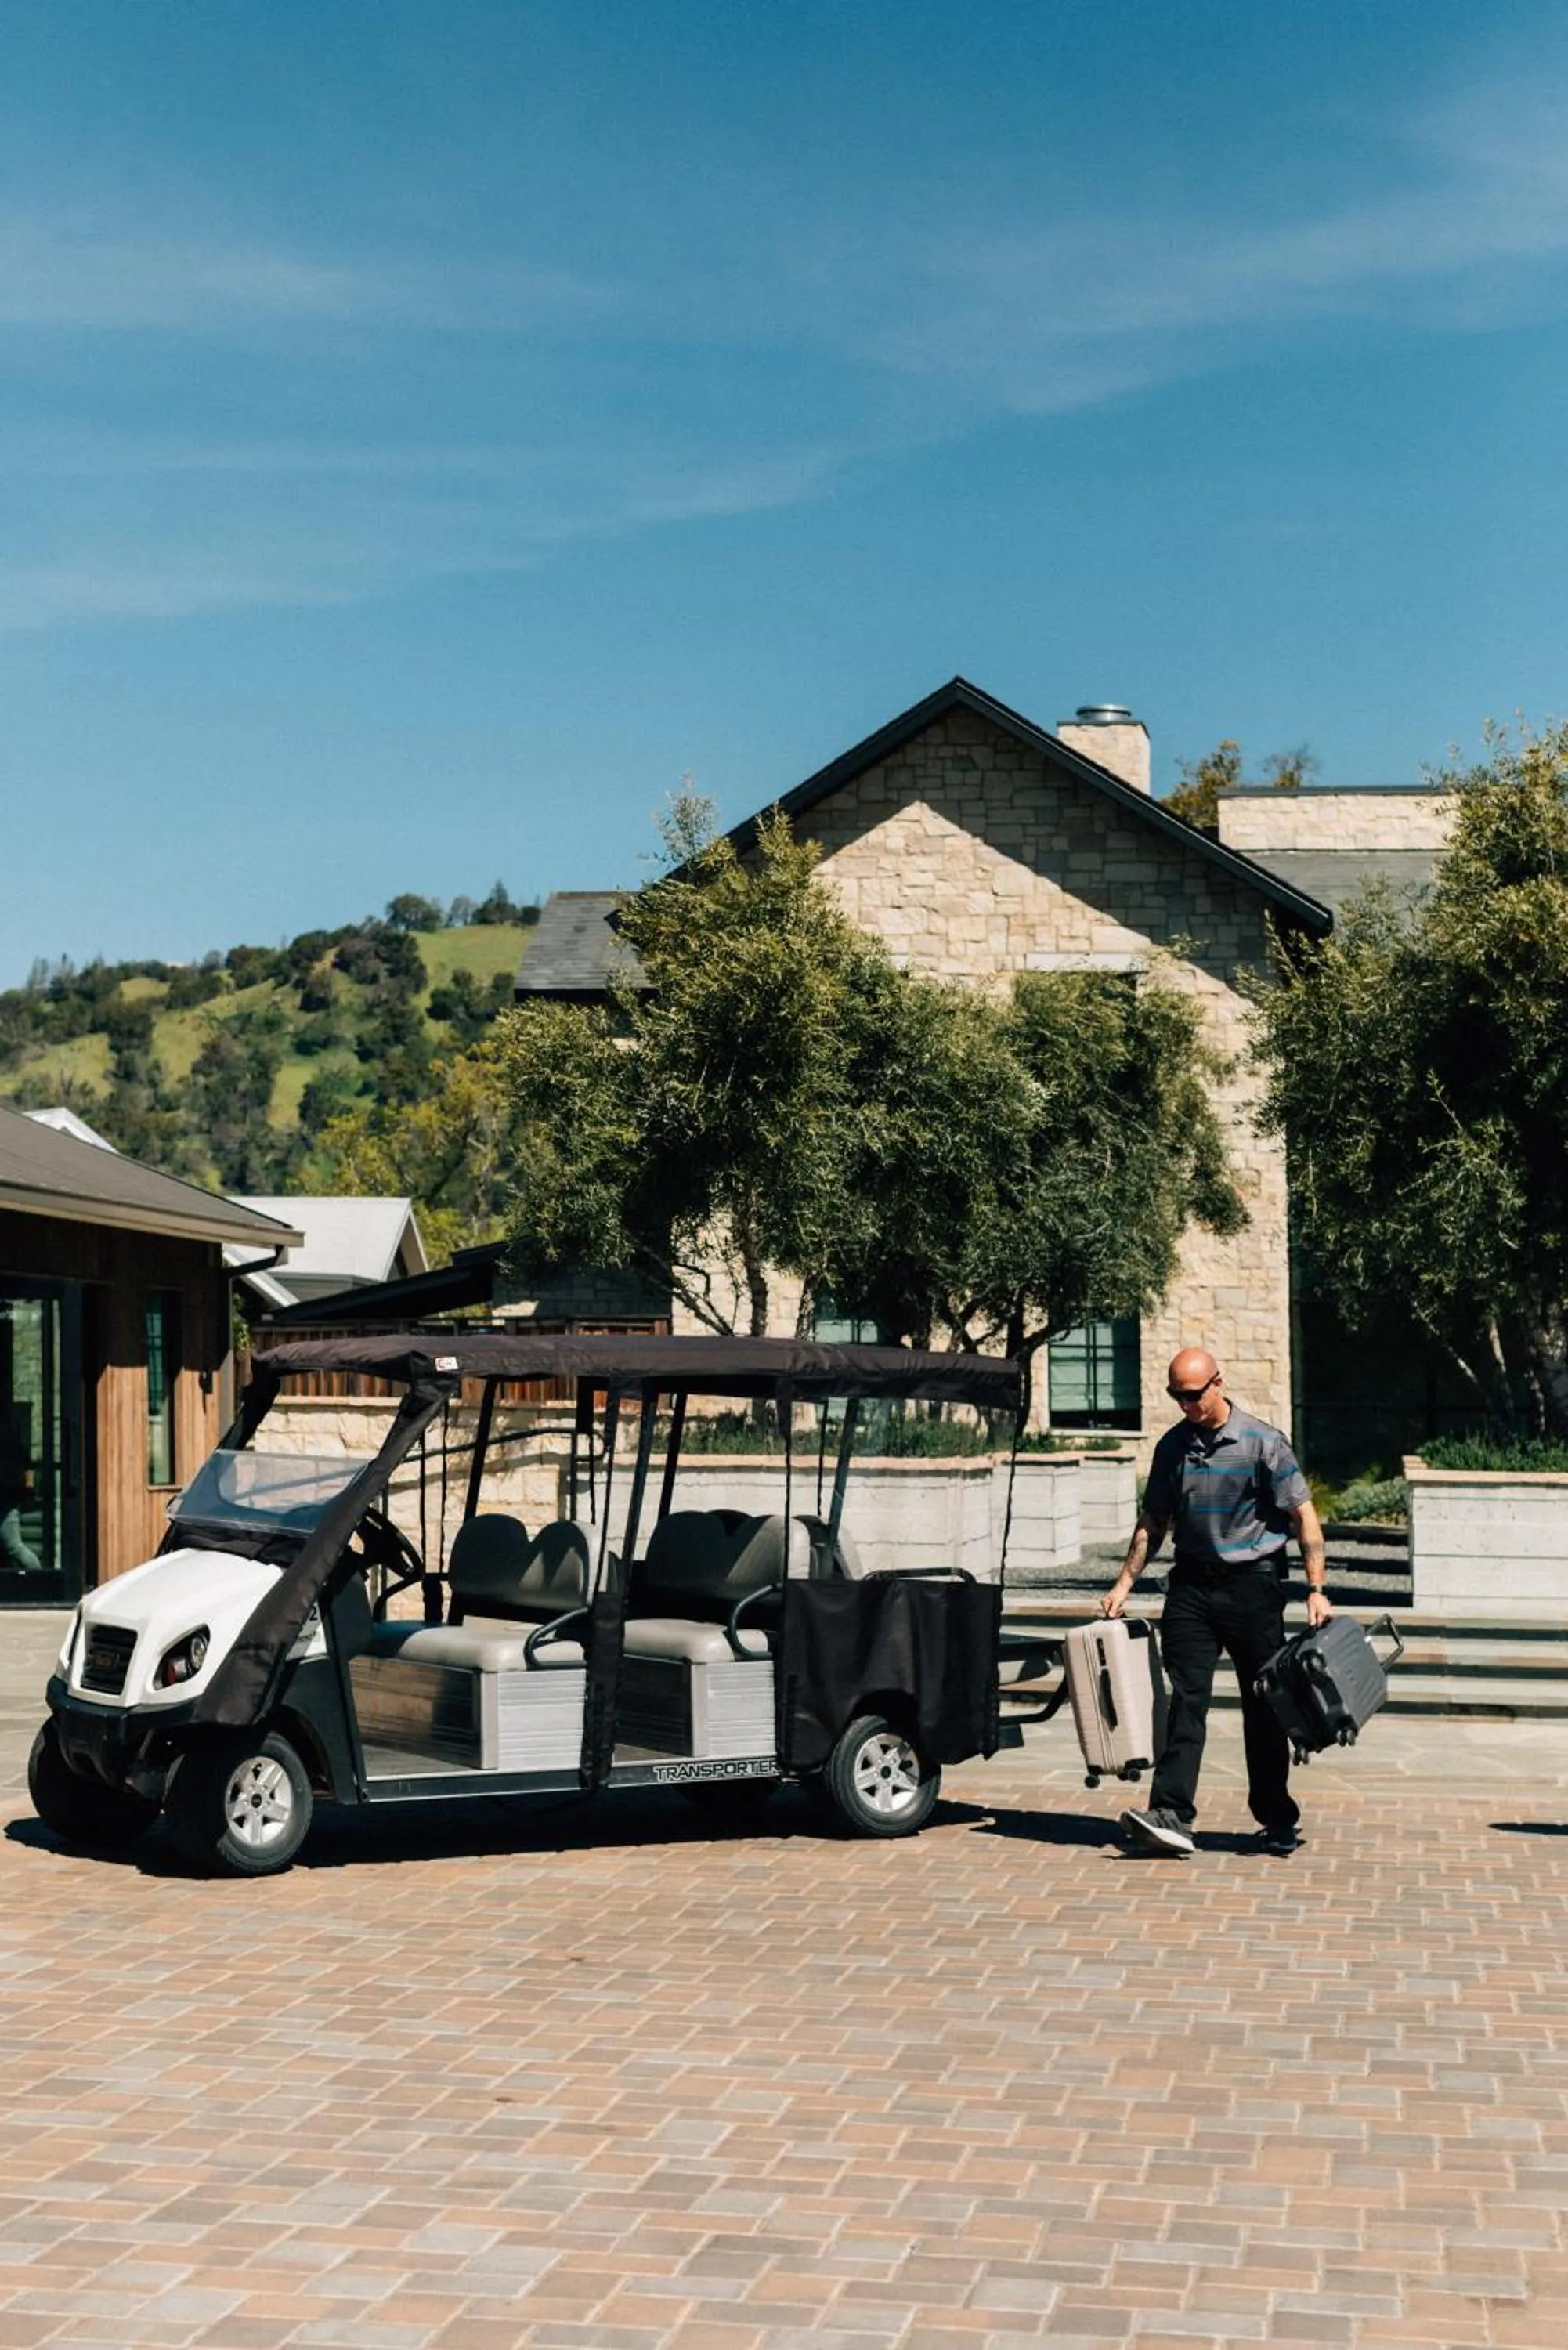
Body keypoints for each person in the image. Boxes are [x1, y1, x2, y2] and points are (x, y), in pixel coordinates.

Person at [1101, 1346, 1329, 1859]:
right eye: (1176, 1396)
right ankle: (1171, 1815)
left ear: (1218, 1383)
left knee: (1264, 1705)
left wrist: (1316, 1590)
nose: (1186, 1405)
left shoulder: (1262, 1442)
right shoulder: (1172, 1448)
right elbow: (1153, 1523)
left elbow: (1304, 1519)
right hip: (1191, 1589)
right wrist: (1122, 1587)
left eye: (1193, 1394)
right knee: (1186, 1701)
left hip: (1254, 1587)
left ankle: (1276, 1819)